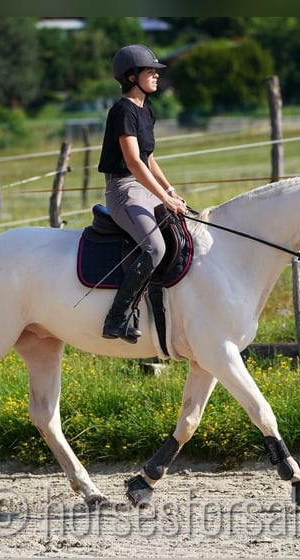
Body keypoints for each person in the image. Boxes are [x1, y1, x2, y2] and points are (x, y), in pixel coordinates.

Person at [97, 44, 187, 344]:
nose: (157, 77)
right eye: (151, 72)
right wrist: (164, 198)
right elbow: (133, 162)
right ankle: (117, 318)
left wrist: (171, 190)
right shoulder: (123, 110)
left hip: (144, 186)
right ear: (131, 76)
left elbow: (149, 159)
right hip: (124, 189)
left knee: (184, 229)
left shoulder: (146, 110)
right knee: (155, 249)